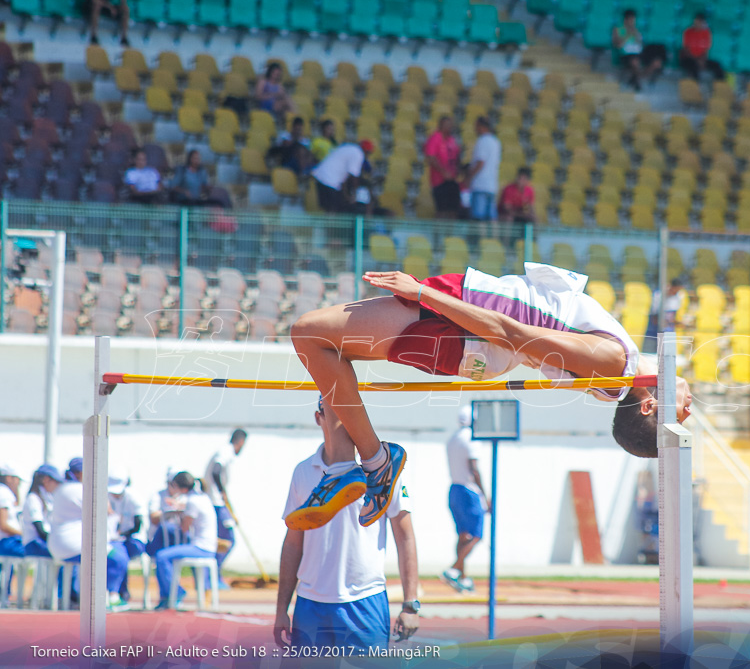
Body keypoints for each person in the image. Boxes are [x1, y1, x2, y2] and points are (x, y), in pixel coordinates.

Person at [287, 263, 693, 532]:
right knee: (322, 346)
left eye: (680, 415)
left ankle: (372, 463)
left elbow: (509, 333)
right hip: (467, 323)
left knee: (310, 334)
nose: (689, 407)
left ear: (648, 405)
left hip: (466, 329)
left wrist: (422, 293)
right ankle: (354, 466)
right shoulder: (617, 377)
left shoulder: (611, 362)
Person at [274, 398, 420, 651]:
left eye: (348, 414)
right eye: (334, 414)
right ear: (319, 418)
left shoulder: (383, 471)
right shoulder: (304, 471)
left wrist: (411, 603)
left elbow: (405, 537)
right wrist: (280, 610)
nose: (342, 423)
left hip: (364, 601)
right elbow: (293, 543)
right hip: (311, 602)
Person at [48, 458, 130, 610]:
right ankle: (111, 596)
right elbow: (106, 511)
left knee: (108, 555)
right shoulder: (80, 489)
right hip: (75, 545)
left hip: (60, 544)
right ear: (80, 473)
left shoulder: (62, 488)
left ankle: (81, 597)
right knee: (119, 557)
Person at [154, 472, 218, 610]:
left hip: (202, 548)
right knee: (165, 556)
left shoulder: (192, 501)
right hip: (206, 546)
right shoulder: (202, 497)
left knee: (161, 556)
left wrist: (175, 512)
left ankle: (175, 593)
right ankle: (170, 595)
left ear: (179, 487)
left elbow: (184, 528)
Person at [442, 406, 490, 593]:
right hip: (469, 491)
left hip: (454, 488)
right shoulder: (471, 438)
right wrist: (485, 496)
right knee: (477, 535)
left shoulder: (453, 439)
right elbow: (474, 469)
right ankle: (454, 568)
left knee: (463, 535)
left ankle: (461, 576)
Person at [203, 428, 247, 589]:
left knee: (220, 540)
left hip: (217, 501)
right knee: (228, 539)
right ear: (240, 442)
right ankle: (212, 576)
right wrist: (221, 491)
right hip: (216, 502)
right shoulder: (226, 452)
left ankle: (213, 576)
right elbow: (216, 470)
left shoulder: (223, 452)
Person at [108, 473, 145, 601]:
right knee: (116, 553)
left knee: (119, 555)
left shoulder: (134, 497)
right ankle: (119, 592)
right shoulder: (106, 496)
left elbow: (137, 525)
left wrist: (121, 535)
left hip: (134, 540)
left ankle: (116, 591)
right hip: (115, 540)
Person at [311, 140, 375, 214]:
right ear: (366, 151)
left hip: (322, 176)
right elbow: (354, 177)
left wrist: (346, 195)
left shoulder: (350, 147)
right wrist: (354, 195)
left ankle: (329, 223)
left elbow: (345, 178)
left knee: (332, 208)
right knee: (333, 209)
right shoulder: (358, 153)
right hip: (329, 179)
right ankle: (329, 224)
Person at [612, 9, 664, 90]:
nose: (632, 22)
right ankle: (636, 81)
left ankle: (635, 79)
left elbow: (640, 45)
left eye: (633, 20)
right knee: (635, 61)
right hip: (625, 55)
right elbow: (617, 44)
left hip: (638, 54)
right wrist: (628, 34)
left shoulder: (637, 31)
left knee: (656, 62)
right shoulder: (618, 30)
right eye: (631, 19)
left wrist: (635, 34)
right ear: (626, 20)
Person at [423, 116, 462, 219]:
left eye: (450, 125)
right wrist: (444, 172)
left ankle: (451, 235)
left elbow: (456, 157)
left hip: (452, 180)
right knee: (442, 210)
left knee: (453, 210)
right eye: (447, 125)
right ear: (441, 126)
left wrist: (457, 168)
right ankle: (440, 234)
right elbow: (431, 157)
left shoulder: (452, 140)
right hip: (439, 181)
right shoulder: (435, 138)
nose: (450, 127)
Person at [21, 464, 63, 557]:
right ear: (46, 480)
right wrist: (56, 543)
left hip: (39, 542)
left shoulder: (47, 497)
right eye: (56, 481)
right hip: (34, 544)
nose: (58, 485)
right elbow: (39, 529)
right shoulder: (33, 498)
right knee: (63, 553)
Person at [466, 117, 502, 223]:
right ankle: (494, 239)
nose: (475, 129)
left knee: (479, 218)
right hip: (492, 185)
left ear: (482, 127)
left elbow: (480, 163)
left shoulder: (482, 141)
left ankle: (481, 239)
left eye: (476, 126)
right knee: (491, 217)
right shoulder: (496, 142)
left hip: (480, 184)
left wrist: (469, 176)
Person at [146, 471, 186, 559]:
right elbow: (153, 518)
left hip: (180, 538)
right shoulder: (157, 495)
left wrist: (179, 507)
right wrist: (170, 512)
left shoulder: (185, 497)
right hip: (160, 540)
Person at [680, 12, 726, 81]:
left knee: (717, 65)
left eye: (700, 21)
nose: (698, 23)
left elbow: (706, 50)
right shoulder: (688, 32)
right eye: (697, 21)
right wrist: (696, 60)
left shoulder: (706, 33)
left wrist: (702, 61)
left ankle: (720, 86)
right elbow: (686, 50)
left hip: (701, 60)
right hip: (689, 59)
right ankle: (695, 86)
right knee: (693, 67)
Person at [0, 464, 24, 593]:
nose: (19, 483)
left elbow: (16, 503)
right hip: (6, 541)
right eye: (18, 480)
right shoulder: (3, 493)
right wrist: (24, 534)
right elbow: (3, 525)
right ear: (9, 478)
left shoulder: (5, 492)